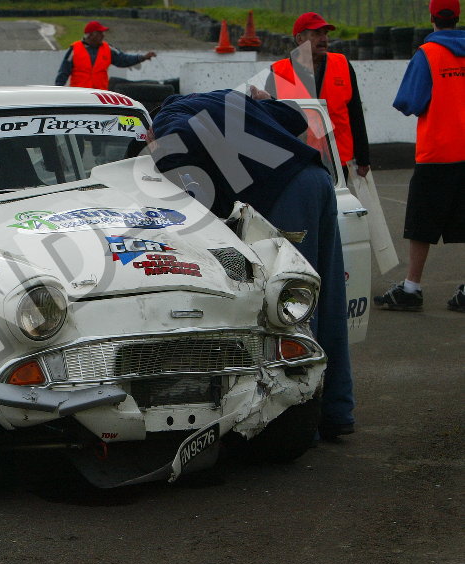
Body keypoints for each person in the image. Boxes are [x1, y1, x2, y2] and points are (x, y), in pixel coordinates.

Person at [150, 89, 355, 439]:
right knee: (327, 297)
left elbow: (181, 138)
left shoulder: (168, 119)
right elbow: (296, 117)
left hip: (285, 194)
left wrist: (163, 156)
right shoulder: (228, 99)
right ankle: (337, 412)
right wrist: (263, 103)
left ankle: (303, 426)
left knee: (291, 313)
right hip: (315, 179)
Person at [374, 0, 465, 313]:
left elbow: (408, 102)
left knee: (421, 222)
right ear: (458, 17)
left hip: (437, 152)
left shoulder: (427, 54)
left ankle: (412, 287)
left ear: (432, 17)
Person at [267, 12, 371, 179]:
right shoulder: (279, 72)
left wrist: (363, 158)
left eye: (325, 33)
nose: (323, 39)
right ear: (300, 39)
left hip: (337, 158)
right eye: (316, 34)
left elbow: (356, 113)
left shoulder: (342, 64)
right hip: (297, 159)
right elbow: (270, 122)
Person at [55, 21, 156, 90]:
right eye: (99, 33)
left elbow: (124, 60)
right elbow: (63, 72)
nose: (103, 35)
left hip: (100, 95)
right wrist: (58, 90)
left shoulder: (108, 49)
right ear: (91, 35)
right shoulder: (74, 49)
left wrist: (142, 58)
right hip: (79, 95)